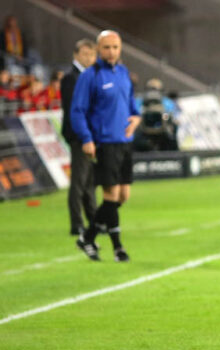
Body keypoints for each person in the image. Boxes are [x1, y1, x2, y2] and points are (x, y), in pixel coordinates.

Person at [71, 30, 141, 262]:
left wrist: (136, 119)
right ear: (99, 49)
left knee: (123, 196)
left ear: (120, 49)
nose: (111, 52)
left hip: (124, 142)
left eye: (115, 47)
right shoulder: (90, 76)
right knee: (111, 195)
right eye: (106, 47)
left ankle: (88, 237)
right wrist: (87, 139)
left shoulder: (123, 73)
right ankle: (118, 248)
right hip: (105, 142)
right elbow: (77, 111)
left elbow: (132, 107)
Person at [61, 38, 97, 236]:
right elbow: (74, 109)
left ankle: (93, 220)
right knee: (79, 182)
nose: (89, 58)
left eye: (92, 54)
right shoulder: (71, 78)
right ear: (76, 55)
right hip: (79, 136)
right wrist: (83, 137)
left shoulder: (88, 77)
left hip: (89, 135)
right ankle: (77, 224)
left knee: (89, 181)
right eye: (85, 54)